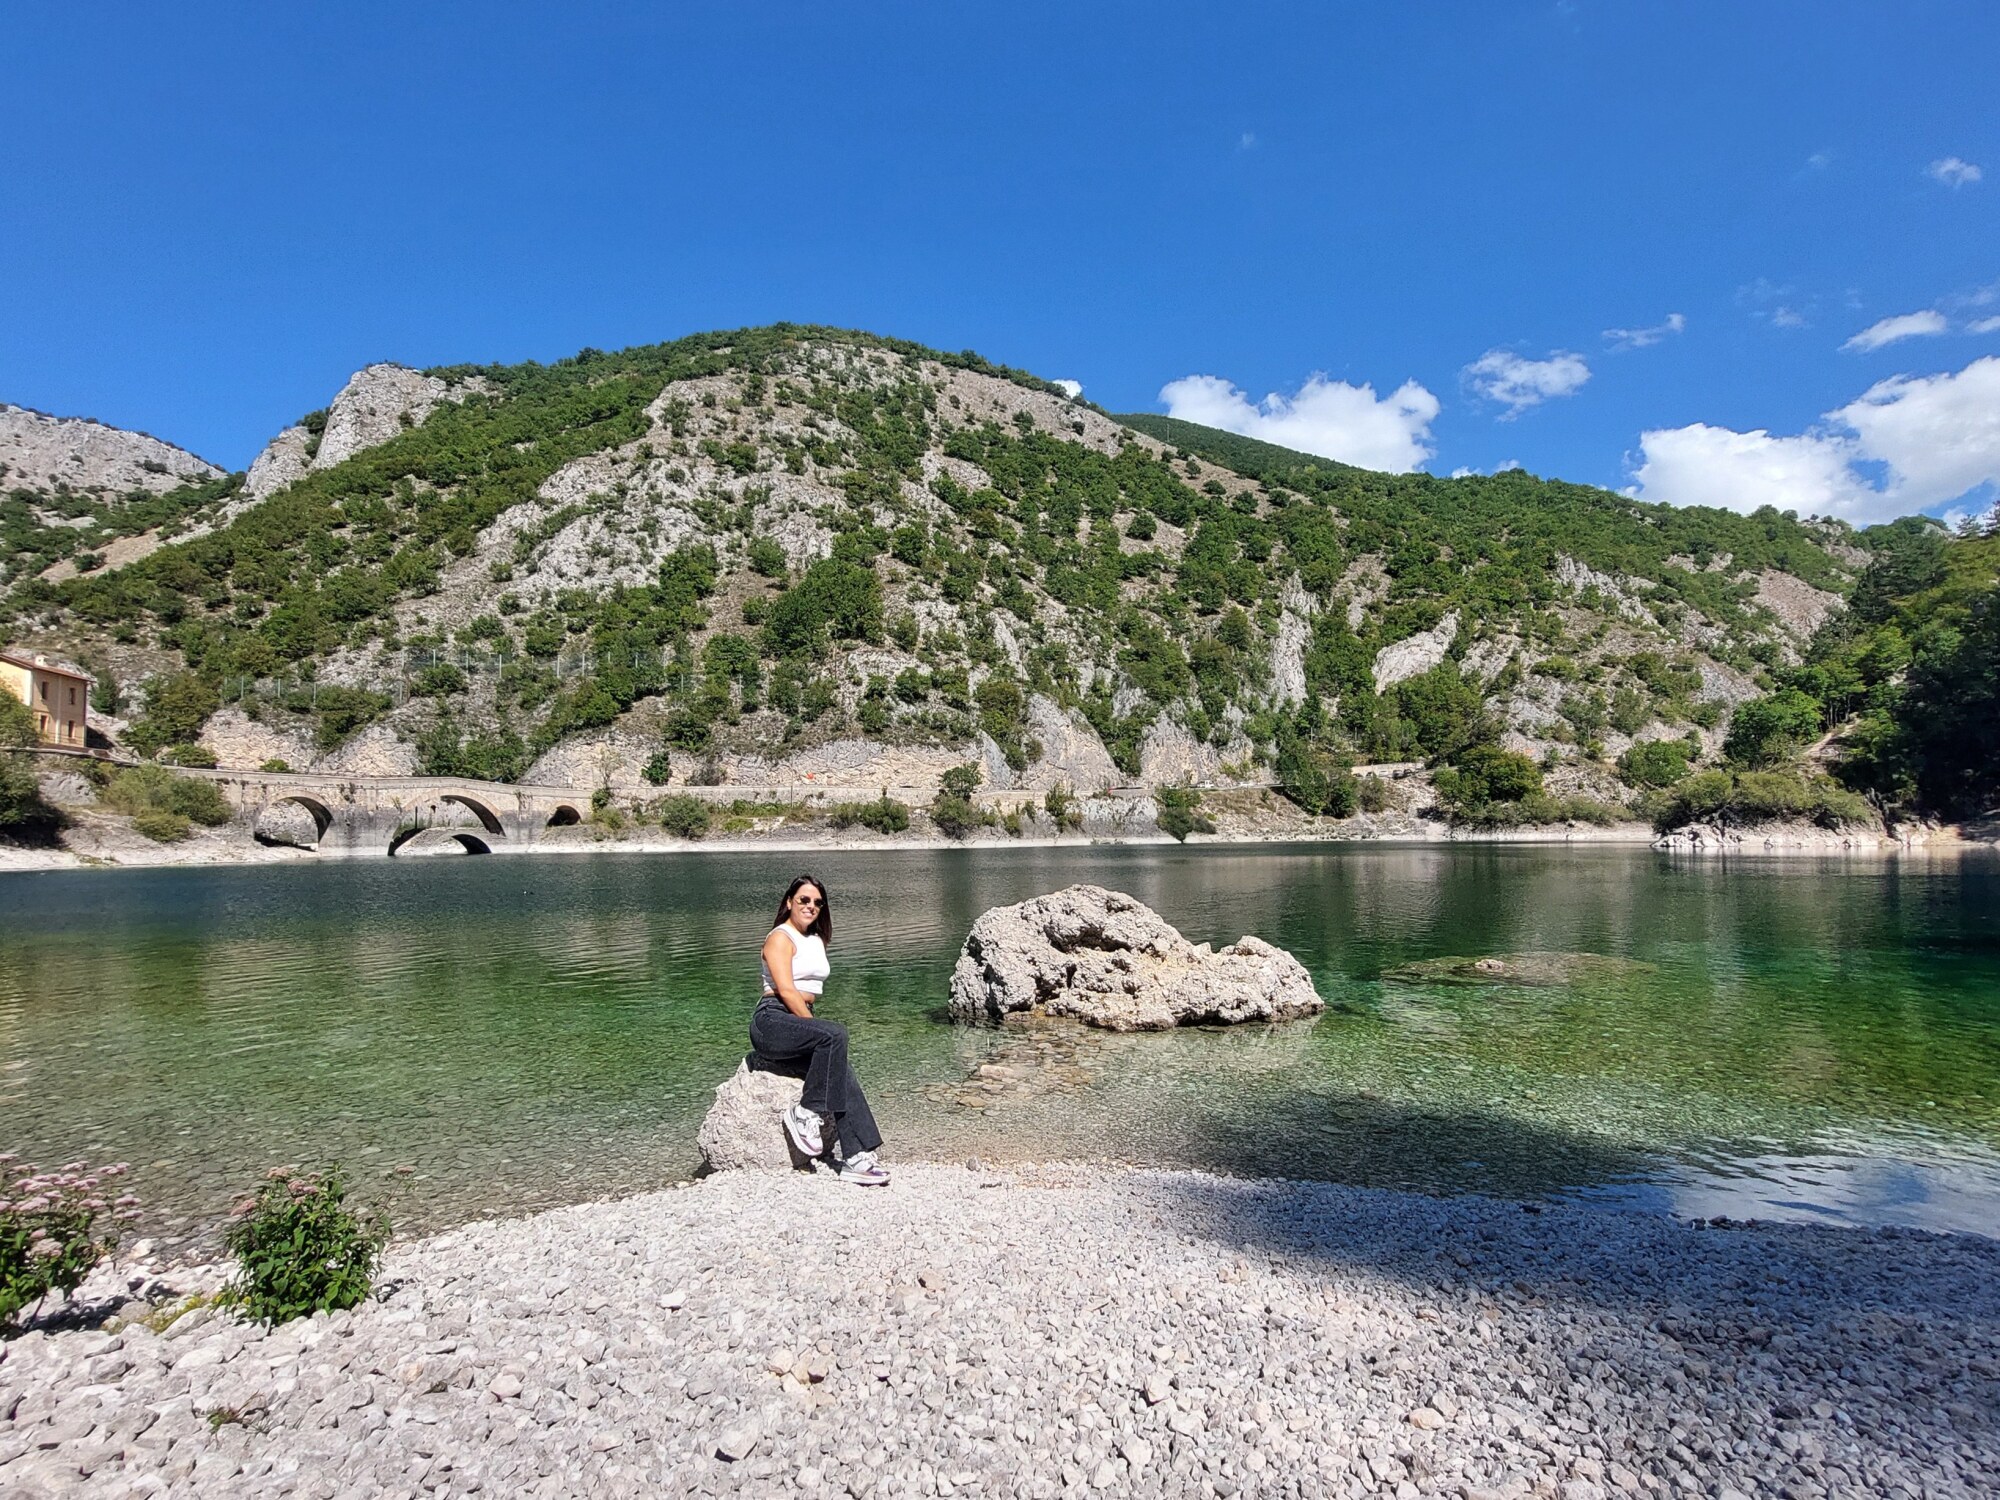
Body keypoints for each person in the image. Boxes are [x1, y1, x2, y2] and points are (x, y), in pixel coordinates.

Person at [750, 875, 890, 1186]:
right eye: (803, 900)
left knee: (841, 1071)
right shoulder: (780, 937)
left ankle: (855, 1156)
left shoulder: (815, 939)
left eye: (816, 902)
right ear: (789, 901)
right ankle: (805, 1112)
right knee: (835, 1034)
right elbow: (786, 990)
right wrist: (817, 1030)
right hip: (772, 1021)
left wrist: (815, 1030)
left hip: (798, 1020)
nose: (810, 906)